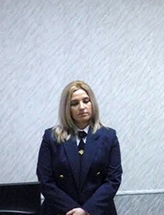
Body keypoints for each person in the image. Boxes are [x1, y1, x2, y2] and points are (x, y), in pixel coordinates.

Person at [37, 80, 122, 215]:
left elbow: (113, 180)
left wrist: (87, 210)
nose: (82, 107)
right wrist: (74, 211)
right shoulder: (51, 137)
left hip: (97, 210)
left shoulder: (109, 136)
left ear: (92, 103)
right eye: (74, 103)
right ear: (66, 108)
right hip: (60, 210)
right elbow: (45, 180)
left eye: (86, 101)